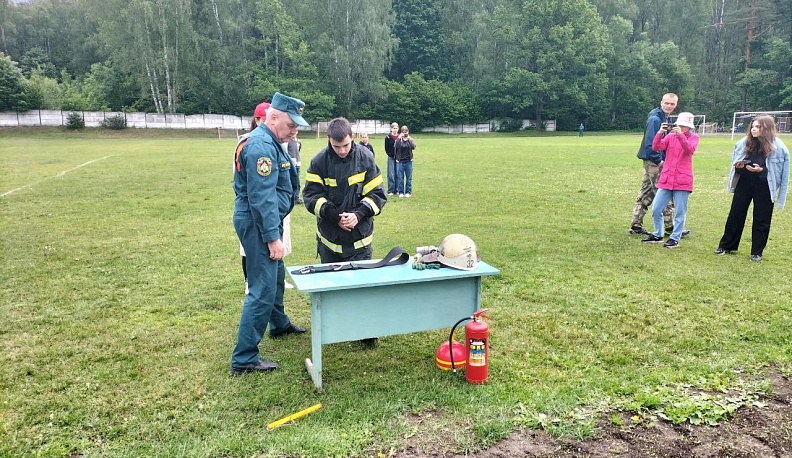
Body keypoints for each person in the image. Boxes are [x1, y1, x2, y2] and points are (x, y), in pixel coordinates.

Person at [230, 92, 309, 375]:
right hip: (258, 221)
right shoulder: (261, 147)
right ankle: (244, 357)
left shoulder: (272, 141)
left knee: (275, 277)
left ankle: (278, 324)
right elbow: (261, 198)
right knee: (261, 288)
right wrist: (273, 238)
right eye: (291, 125)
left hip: (265, 218)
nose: (295, 130)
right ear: (273, 117)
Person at [303, 117, 387, 263]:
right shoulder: (318, 162)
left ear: (352, 137)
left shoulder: (366, 158)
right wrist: (335, 216)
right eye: (336, 146)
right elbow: (311, 197)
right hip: (329, 243)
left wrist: (358, 214)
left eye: (345, 145)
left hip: (360, 243)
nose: (342, 151)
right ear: (328, 139)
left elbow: (377, 194)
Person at [714, 115, 790, 262]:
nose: (754, 129)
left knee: (762, 219)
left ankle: (757, 252)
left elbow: (782, 175)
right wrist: (739, 167)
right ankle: (727, 245)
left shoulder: (779, 148)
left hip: (765, 186)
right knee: (736, 215)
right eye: (753, 126)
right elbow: (734, 164)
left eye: (758, 127)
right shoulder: (743, 143)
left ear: (766, 128)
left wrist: (762, 170)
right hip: (744, 183)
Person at [641, 112, 699, 248]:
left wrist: (680, 136)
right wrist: (660, 133)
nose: (681, 127)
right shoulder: (670, 136)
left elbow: (689, 149)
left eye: (684, 125)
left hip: (682, 180)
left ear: (689, 127)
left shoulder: (694, 137)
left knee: (679, 211)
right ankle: (658, 234)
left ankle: (675, 238)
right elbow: (657, 147)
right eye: (680, 124)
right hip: (667, 178)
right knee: (656, 208)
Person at [629, 93, 678, 235]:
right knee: (664, 192)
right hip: (654, 162)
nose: (669, 106)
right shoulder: (655, 119)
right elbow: (650, 144)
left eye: (672, 104)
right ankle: (671, 226)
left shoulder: (663, 118)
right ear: (661, 102)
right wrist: (659, 160)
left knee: (645, 193)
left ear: (675, 105)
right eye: (667, 103)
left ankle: (636, 225)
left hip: (651, 161)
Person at [239, 101, 270, 295]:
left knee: (274, 247)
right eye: (264, 120)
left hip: (271, 206)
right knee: (250, 248)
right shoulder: (250, 143)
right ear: (257, 120)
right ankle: (250, 281)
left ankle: (270, 280)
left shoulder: (271, 142)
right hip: (253, 207)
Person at [394, 125, 416, 197]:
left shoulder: (410, 140)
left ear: (408, 132)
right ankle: (400, 192)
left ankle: (408, 192)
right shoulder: (399, 140)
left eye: (406, 132)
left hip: (408, 161)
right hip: (400, 161)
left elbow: (413, 147)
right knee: (400, 178)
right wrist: (398, 138)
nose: (404, 133)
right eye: (403, 132)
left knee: (409, 178)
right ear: (401, 132)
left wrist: (409, 139)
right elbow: (395, 146)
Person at [384, 122, 399, 195]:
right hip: (391, 157)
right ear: (391, 129)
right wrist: (391, 154)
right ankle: (390, 190)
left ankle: (397, 189)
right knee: (391, 174)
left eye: (396, 128)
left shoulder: (400, 137)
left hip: (399, 158)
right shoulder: (388, 137)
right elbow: (386, 148)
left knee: (397, 174)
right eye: (394, 128)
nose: (395, 130)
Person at [288, 131, 303, 204]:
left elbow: (298, 150)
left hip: (298, 163)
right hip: (291, 164)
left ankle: (296, 197)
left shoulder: (299, 142)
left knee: (298, 181)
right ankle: (291, 197)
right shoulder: (288, 142)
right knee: (291, 180)